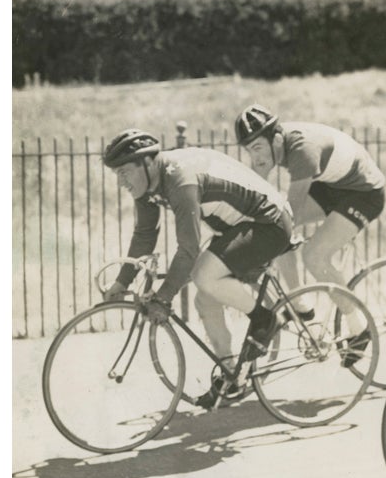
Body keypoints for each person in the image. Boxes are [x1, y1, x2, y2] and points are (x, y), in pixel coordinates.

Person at [100, 128, 295, 407]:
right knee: (205, 298)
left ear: (147, 163)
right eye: (116, 175)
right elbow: (145, 235)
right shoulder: (148, 184)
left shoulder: (180, 181)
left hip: (270, 222)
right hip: (238, 226)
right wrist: (122, 282)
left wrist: (163, 296)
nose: (121, 182)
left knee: (203, 274)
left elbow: (188, 249)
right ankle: (233, 376)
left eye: (124, 172)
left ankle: (265, 319)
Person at [234, 104, 386, 354]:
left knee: (312, 255)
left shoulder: (302, 151)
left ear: (276, 138)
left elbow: (290, 214)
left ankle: (359, 326)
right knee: (275, 221)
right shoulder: (278, 145)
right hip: (333, 184)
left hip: (364, 193)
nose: (256, 158)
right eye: (249, 151)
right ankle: (300, 303)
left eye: (258, 148)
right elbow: (258, 197)